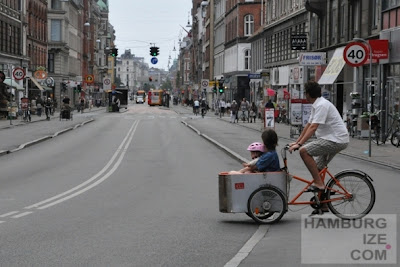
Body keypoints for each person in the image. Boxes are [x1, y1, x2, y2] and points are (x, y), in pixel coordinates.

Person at [289, 81, 349, 214]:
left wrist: (300, 145)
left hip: (336, 140)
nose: (304, 94)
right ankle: (323, 204)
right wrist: (296, 142)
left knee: (304, 152)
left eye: (305, 92)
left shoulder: (322, 105)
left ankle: (319, 183)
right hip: (330, 139)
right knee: (318, 168)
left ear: (308, 94)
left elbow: (313, 127)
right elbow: (308, 125)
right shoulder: (317, 105)